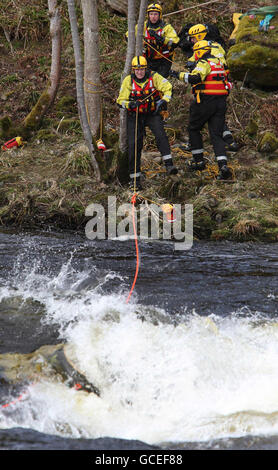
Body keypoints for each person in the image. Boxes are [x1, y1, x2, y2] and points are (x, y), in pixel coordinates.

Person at [170, 40, 233, 180]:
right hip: (221, 102)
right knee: (216, 135)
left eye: (195, 52)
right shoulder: (218, 62)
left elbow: (195, 78)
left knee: (193, 128)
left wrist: (177, 74)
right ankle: (223, 165)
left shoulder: (203, 63)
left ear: (199, 51)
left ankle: (199, 161)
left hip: (206, 101)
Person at [117, 55, 178, 191]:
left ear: (146, 68)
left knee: (161, 135)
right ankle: (135, 179)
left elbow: (168, 87)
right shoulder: (128, 81)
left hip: (152, 113)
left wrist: (164, 100)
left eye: (142, 69)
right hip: (135, 115)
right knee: (134, 145)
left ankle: (169, 164)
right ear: (133, 70)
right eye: (137, 70)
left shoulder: (154, 76)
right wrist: (131, 104)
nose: (140, 72)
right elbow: (120, 101)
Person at [184, 23, 239, 152]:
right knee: (215, 116)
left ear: (199, 36)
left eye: (193, 38)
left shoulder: (214, 47)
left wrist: (196, 67)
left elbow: (219, 64)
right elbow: (195, 58)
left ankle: (196, 144)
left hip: (213, 87)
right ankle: (230, 141)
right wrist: (191, 64)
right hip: (210, 87)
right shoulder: (201, 47)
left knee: (205, 116)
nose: (191, 41)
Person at [126, 3, 180, 78]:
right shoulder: (143, 25)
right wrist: (139, 42)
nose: (153, 17)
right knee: (147, 79)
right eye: (151, 14)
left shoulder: (166, 27)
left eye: (155, 14)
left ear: (160, 15)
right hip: (147, 59)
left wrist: (161, 39)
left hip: (163, 60)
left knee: (160, 80)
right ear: (148, 15)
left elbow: (175, 42)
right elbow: (128, 35)